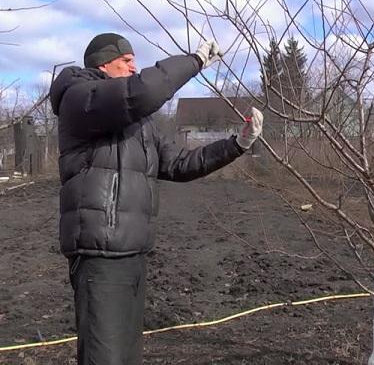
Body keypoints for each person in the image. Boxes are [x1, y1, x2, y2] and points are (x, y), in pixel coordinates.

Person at [49, 32, 263, 365]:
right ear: (103, 63)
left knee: (127, 356)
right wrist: (194, 61)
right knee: (104, 357)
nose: (135, 66)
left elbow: (179, 164)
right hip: (100, 254)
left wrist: (237, 144)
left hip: (134, 252)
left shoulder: (140, 124)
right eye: (127, 60)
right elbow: (143, 92)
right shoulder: (79, 98)